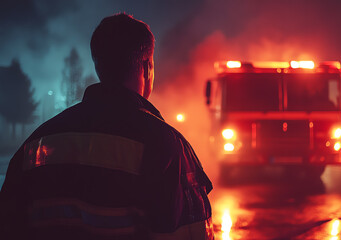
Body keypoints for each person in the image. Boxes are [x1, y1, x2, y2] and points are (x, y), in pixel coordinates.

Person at [0, 13, 213, 240]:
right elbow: (191, 234)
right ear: (147, 66)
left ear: (99, 65)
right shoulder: (166, 145)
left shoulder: (36, 143)